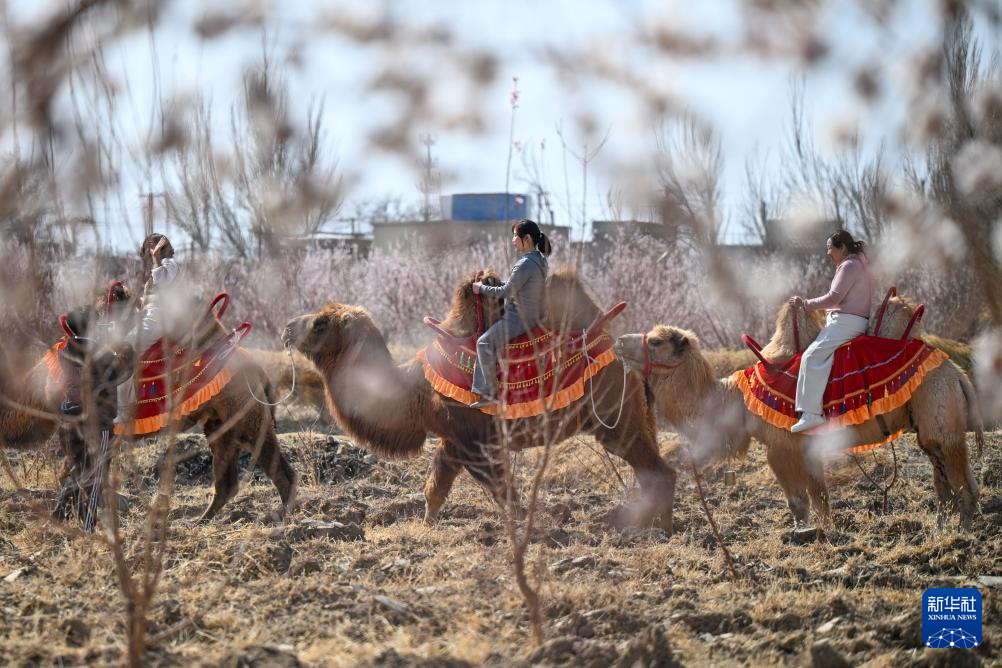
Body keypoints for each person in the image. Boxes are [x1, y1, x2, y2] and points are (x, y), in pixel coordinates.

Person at [788, 230, 874, 433]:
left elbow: (834, 298)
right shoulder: (856, 264)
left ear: (842, 247)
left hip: (846, 322)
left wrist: (805, 304)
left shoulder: (850, 265)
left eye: (829, 248)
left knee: (810, 357)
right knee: (815, 356)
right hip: (847, 321)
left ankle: (812, 414)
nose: (827, 252)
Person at [469, 219, 552, 409]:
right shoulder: (540, 261)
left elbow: (505, 292)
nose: (513, 240)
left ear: (527, 239)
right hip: (533, 316)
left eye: (515, 236)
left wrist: (480, 288)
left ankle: (489, 393)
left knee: (483, 342)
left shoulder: (525, 264)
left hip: (518, 318)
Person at [115, 233, 181, 424]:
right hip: (152, 316)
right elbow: (150, 302)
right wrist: (133, 298)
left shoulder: (169, 264)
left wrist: (156, 258)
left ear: (161, 247)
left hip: (159, 319)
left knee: (124, 350)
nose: (149, 252)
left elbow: (163, 283)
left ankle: (125, 410)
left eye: (151, 247)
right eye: (148, 250)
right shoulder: (159, 268)